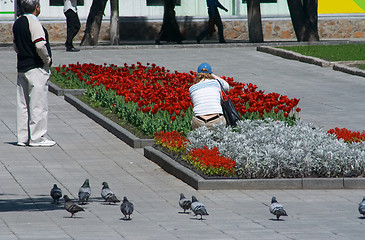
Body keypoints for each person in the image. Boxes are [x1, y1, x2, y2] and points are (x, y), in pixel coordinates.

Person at [13, 0, 56, 147]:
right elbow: (39, 44)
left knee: (23, 104)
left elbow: (15, 45)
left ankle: (22, 137)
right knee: (38, 103)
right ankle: (37, 138)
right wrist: (47, 60)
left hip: (22, 67)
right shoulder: (34, 23)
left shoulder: (17, 22)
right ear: (37, 7)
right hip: (35, 67)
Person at [189, 63, 229, 130]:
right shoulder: (217, 83)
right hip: (216, 120)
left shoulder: (192, 88)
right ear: (210, 74)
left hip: (199, 121)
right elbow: (227, 86)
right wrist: (212, 75)